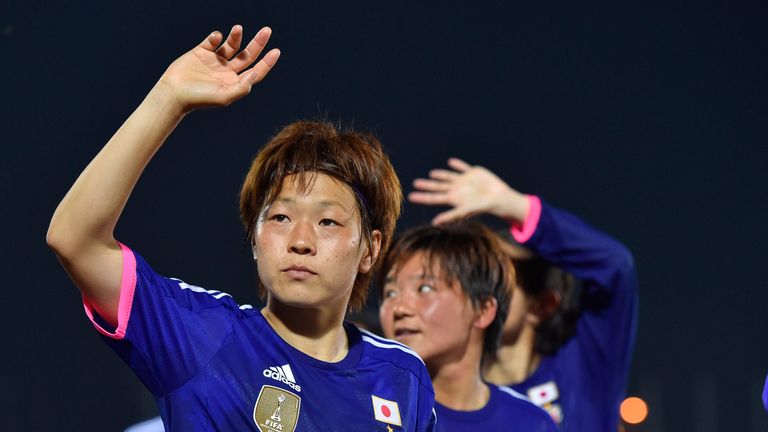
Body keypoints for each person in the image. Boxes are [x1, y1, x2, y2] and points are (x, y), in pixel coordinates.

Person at [47, 24, 436, 431]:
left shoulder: (402, 377)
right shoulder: (203, 336)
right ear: (254, 236)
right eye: (280, 218)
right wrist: (167, 99)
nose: (300, 241)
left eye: (327, 222)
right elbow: (75, 239)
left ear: (370, 249)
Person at [408, 158, 638, 431]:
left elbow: (615, 267)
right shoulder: (446, 396)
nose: (479, 290)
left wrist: (514, 205)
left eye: (498, 281)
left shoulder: (583, 366)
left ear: (542, 304)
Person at [379, 221, 558, 431]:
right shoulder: (366, 405)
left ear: (483, 310)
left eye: (424, 288)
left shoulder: (531, 423)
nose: (399, 308)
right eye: (390, 293)